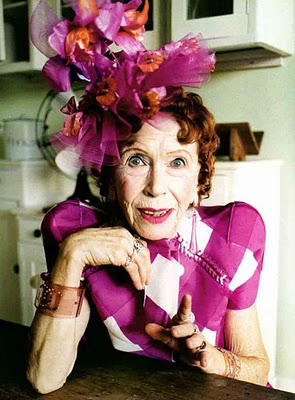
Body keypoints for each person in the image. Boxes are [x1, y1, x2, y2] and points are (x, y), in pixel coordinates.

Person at [27, 0, 270, 394]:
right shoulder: (75, 231)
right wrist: (71, 257)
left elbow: (257, 371)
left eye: (177, 163)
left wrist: (208, 357)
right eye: (137, 159)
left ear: (199, 182)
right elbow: (43, 379)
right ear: (108, 176)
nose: (157, 187)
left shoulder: (233, 236)